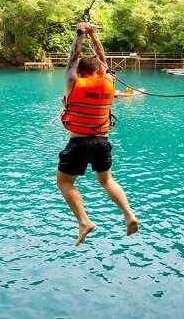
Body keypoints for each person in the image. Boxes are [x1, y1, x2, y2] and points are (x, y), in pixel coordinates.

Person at [58, 22, 138, 246]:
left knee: (65, 182)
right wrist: (94, 36)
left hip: (79, 144)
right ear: (99, 71)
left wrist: (80, 33)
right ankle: (129, 215)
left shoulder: (74, 82)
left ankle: (84, 222)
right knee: (106, 180)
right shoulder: (109, 82)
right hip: (102, 142)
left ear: (80, 72)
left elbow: (74, 56)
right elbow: (102, 57)